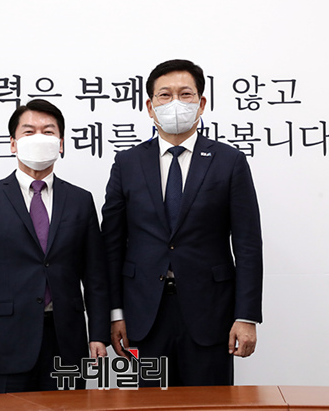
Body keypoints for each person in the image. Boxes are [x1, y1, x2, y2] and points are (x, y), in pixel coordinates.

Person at [101, 59, 263, 386]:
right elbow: (112, 245)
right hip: (143, 313)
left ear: (201, 103)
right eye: (165, 95)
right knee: (148, 407)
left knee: (209, 406)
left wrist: (246, 316)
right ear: (150, 107)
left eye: (185, 94)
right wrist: (115, 312)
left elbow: (247, 244)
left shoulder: (229, 161)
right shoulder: (127, 163)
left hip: (210, 312)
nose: (175, 102)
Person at [0, 99, 110, 394]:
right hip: (5, 341)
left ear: (61, 143)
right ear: (13, 143)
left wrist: (98, 333)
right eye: (29, 131)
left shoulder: (80, 200)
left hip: (67, 340)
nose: (39, 138)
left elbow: (95, 277)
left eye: (48, 131)